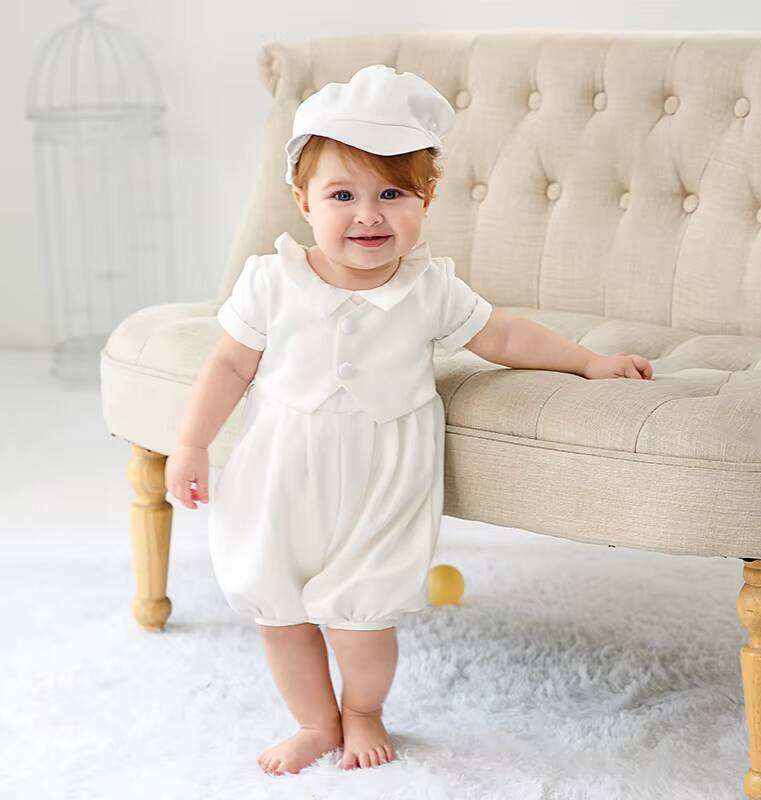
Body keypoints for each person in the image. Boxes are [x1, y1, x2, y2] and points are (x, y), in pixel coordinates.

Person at [165, 64, 653, 777]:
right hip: (281, 476)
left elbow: (503, 336)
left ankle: (363, 709)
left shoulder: (429, 287)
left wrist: (588, 362)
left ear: (425, 199)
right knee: (280, 612)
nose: (368, 214)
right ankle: (315, 722)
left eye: (392, 194)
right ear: (302, 201)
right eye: (342, 195)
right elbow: (228, 367)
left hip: (381, 482)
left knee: (362, 619)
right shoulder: (272, 281)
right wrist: (190, 444)